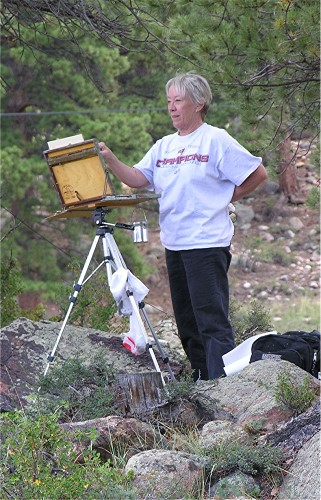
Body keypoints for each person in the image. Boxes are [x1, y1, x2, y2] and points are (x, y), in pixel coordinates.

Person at [99, 72, 268, 381]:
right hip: (175, 244)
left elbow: (257, 173)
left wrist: (228, 196)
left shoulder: (215, 139)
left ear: (199, 103)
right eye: (168, 102)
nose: (172, 108)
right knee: (187, 322)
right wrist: (109, 158)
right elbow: (136, 179)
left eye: (178, 101)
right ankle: (202, 382)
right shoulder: (164, 146)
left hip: (206, 243)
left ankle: (225, 388)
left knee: (211, 321)